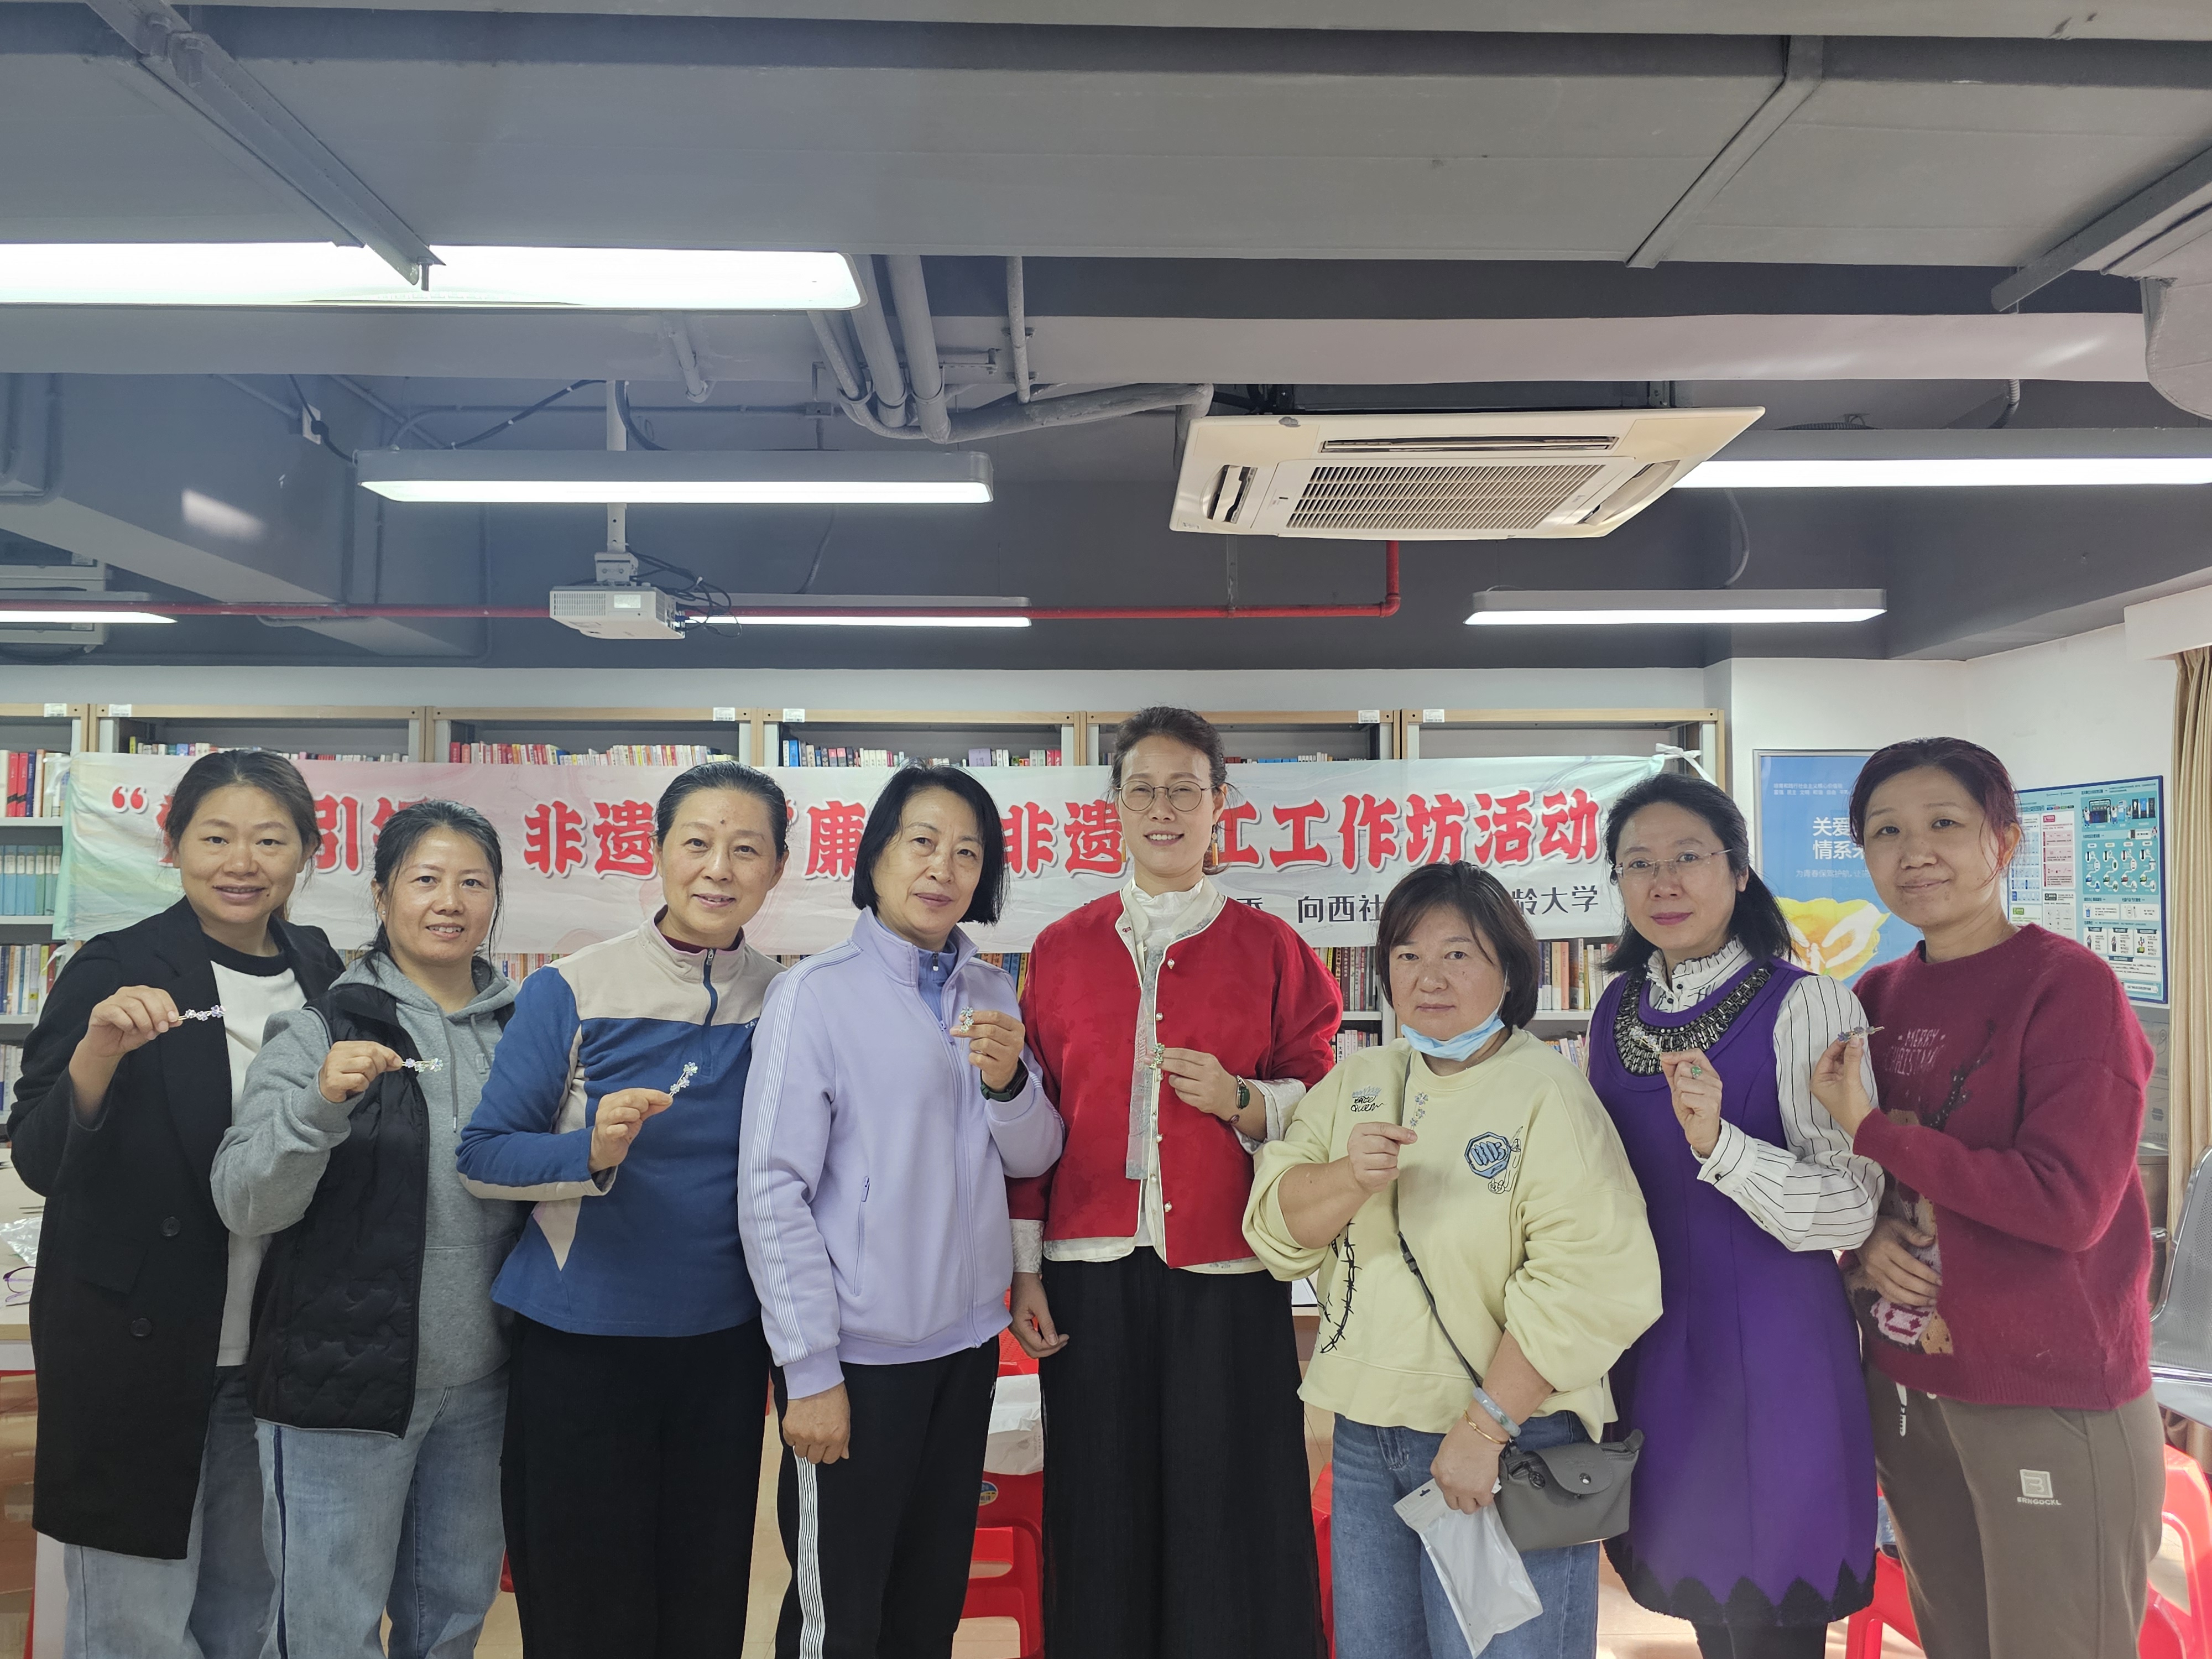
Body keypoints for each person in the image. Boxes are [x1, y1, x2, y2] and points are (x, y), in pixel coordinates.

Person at [1246, 860, 1662, 1659]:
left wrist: (1486, 1426)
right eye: (1407, 955)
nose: (1428, 978)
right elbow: (1274, 1226)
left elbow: (1591, 1279)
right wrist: (1347, 1178)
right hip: (1367, 1432)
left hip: (1510, 1437)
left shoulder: (1546, 1093)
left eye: (1458, 954)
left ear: (1510, 969)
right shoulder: (1361, 1078)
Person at [1809, 737, 2159, 1659]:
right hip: (1909, 1383)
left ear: (2003, 842)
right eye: (1886, 831)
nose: (1915, 851)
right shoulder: (1875, 995)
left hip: (2044, 1389)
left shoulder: (2070, 988)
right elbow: (1855, 1182)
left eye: (1944, 824)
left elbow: (2069, 1204)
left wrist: (1876, 1131)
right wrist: (1866, 1241)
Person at [1009, 706, 1340, 1659]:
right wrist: (1025, 1268)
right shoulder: (1060, 950)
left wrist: (1243, 1100)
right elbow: (1032, 1123)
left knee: (1230, 1503)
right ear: (1115, 806)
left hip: (1227, 1269)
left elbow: (1320, 1095)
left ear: (1218, 804)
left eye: (1184, 791)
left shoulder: (1271, 947)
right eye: (1142, 791)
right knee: (1099, 1502)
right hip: (1087, 1269)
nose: (1163, 810)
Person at [7, 750, 342, 1659]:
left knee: (247, 1615)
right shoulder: (114, 966)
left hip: (269, 1351)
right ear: (174, 846)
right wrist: (99, 1051)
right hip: (135, 1348)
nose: (243, 863)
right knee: (134, 1628)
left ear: (306, 852)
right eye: (216, 838)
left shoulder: (319, 967)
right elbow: (37, 1156)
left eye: (270, 840)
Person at [455, 761, 789, 1659]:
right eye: (697, 843)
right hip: (582, 1344)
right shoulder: (572, 987)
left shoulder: (786, 998)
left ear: (777, 869)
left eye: (745, 849)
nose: (718, 868)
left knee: (704, 1599)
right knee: (585, 1607)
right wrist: (589, 1153)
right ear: (658, 852)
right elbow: (483, 1154)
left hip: (723, 1347)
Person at [740, 765, 1064, 1659]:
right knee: (839, 1622)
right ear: (877, 854)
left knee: (927, 1612)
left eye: (968, 852)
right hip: (856, 1361)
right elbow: (771, 1189)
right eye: (922, 842)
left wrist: (1009, 1083)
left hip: (965, 1353)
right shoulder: (815, 995)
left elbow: (1033, 1155)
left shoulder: (992, 991)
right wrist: (809, 1370)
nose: (943, 868)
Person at [212, 801, 521, 1659]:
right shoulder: (321, 1028)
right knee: (325, 1631)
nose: (449, 901)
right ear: (382, 895)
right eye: (426, 880)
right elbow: (243, 1201)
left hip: (484, 1389)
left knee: (452, 1618)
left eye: (473, 882)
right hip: (337, 1389)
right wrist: (318, 1106)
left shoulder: (524, 1030)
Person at [1585, 772, 1881, 1658]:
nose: (1663, 882)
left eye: (1688, 857)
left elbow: (1853, 1205)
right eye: (1638, 863)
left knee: (1773, 1615)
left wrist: (1723, 1148)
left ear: (1740, 870)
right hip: (1653, 1344)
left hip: (1774, 1351)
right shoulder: (1617, 1007)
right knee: (1709, 1612)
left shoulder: (1810, 1003)